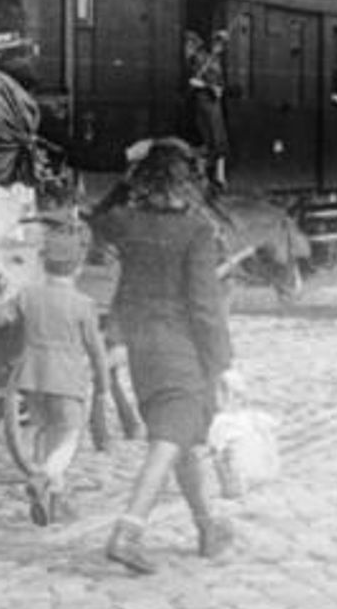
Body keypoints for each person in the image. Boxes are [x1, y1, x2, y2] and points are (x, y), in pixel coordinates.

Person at [89, 138, 238, 574]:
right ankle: (128, 531)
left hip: (142, 347)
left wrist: (126, 179)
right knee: (168, 440)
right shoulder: (197, 230)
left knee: (180, 439)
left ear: (145, 180)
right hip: (181, 348)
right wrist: (224, 363)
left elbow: (97, 217)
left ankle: (206, 526)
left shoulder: (126, 222)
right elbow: (205, 306)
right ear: (187, 182)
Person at [0, 221, 112, 526]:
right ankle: (44, 477)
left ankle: (54, 501)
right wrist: (103, 386)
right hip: (66, 379)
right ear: (77, 268)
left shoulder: (28, 295)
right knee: (69, 435)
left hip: (32, 378)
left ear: (43, 263)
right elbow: (96, 351)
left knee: (43, 431)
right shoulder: (83, 305)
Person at [184, 29, 230, 189]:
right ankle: (206, 177)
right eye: (218, 43)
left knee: (217, 138)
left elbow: (218, 87)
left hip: (211, 104)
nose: (220, 47)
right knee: (205, 138)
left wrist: (204, 85)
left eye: (222, 44)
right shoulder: (198, 59)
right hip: (200, 103)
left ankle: (220, 178)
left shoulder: (210, 60)